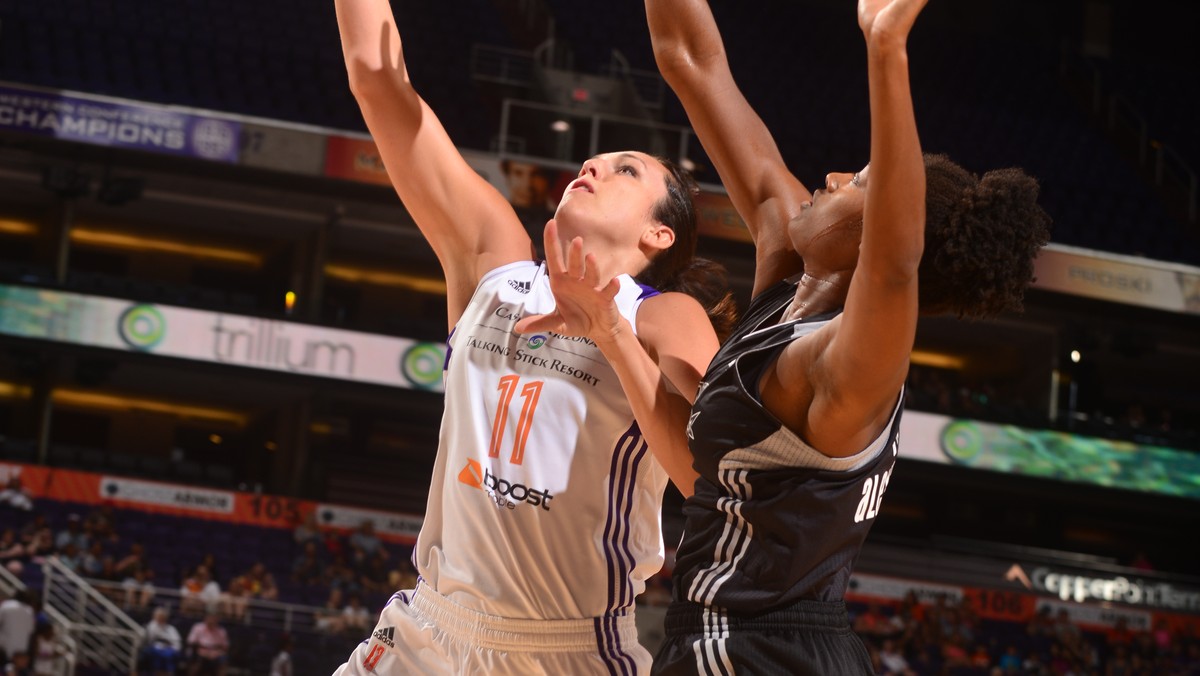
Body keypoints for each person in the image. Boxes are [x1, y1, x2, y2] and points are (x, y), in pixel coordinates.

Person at [525, 0, 1050, 672]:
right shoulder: (785, 282)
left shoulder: (845, 365)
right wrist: (610, 334)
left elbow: (894, 265)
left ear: (876, 231)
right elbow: (691, 61)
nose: (829, 179)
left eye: (855, 184)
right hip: (721, 638)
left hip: (767, 650)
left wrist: (886, 46)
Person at [331, 0, 734, 672]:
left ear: (658, 235)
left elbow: (710, 478)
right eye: (595, 159)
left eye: (626, 169)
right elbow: (376, 76)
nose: (595, 166)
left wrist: (609, 334)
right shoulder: (494, 264)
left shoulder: (664, 316)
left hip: (565, 651)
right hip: (428, 630)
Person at [143, 607, 183, 676]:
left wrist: (173, 649)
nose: (161, 619)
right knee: (155, 653)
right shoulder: (151, 626)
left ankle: (168, 673)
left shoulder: (171, 628)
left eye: (163, 617)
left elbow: (177, 642)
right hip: (155, 647)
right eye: (159, 617)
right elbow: (149, 639)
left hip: (168, 648)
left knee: (169, 655)